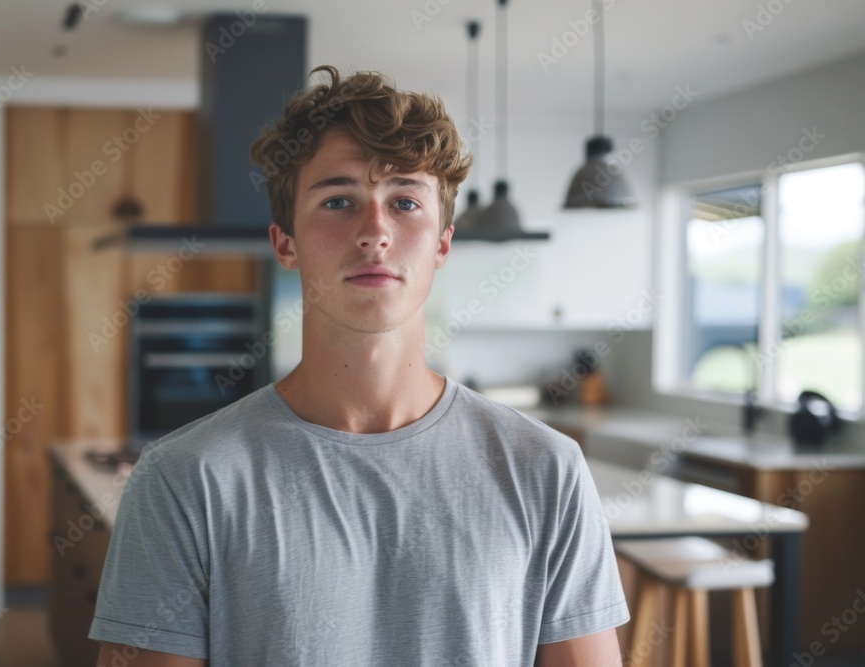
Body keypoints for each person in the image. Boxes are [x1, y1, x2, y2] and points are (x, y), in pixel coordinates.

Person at [89, 64, 629, 666]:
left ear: (443, 243)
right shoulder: (183, 481)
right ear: (285, 243)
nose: (375, 231)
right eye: (338, 200)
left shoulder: (547, 471)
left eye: (404, 201)